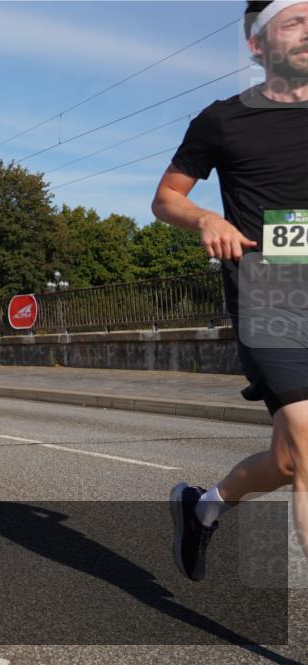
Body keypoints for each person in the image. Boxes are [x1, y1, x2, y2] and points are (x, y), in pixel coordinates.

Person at [155, 0, 308, 582]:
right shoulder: (224, 119)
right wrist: (205, 220)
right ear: (257, 45)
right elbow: (166, 197)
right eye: (292, 22)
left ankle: (203, 507)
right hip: (270, 295)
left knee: (291, 460)